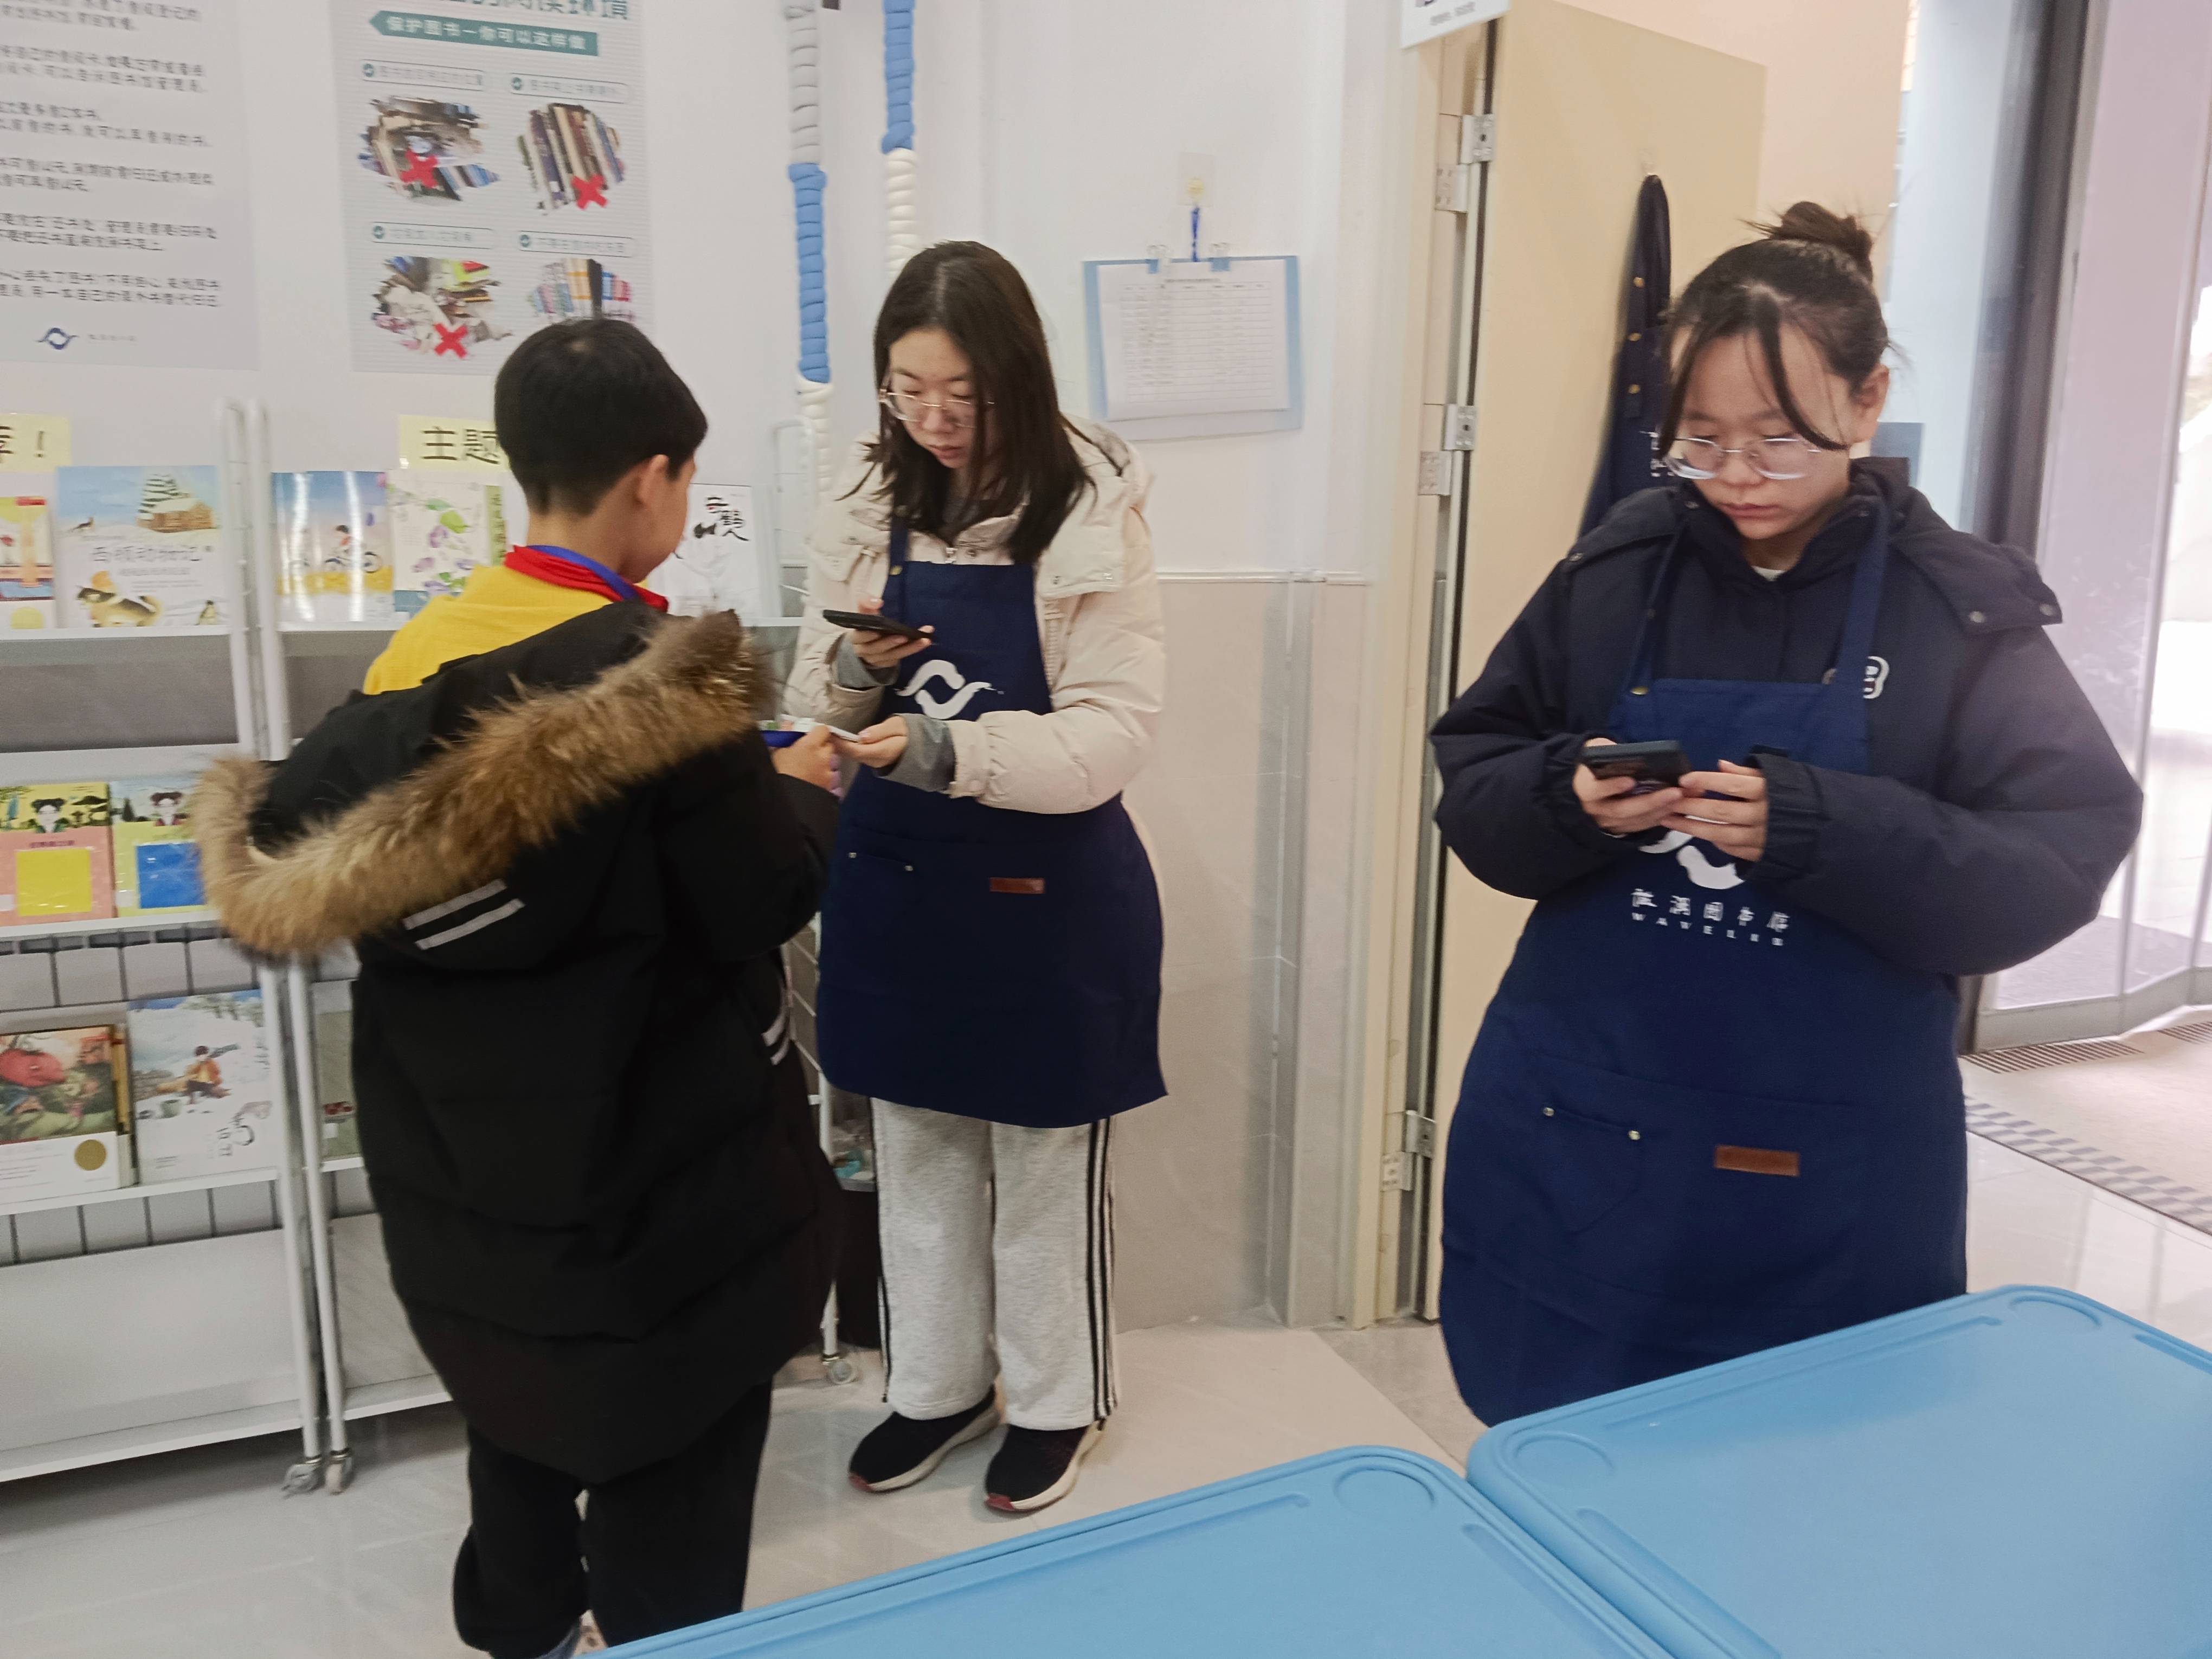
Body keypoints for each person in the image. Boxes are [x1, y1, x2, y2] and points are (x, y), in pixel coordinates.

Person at [1430, 205, 2143, 1426]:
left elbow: (2054, 862)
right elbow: (1477, 778)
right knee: (1564, 1444)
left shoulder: (1957, 612)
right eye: (1701, 441)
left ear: (1867, 405)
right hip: (1586, 1118)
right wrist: (1568, 795)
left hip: (1830, 1159)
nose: (1737, 478)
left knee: (1804, 1467)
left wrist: (1826, 831)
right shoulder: (1617, 570)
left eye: (1777, 440)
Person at [194, 319, 843, 1659]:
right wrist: (797, 791)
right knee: (677, 1454)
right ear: (654, 478)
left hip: (471, 1172)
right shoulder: (667, 684)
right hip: (657, 1175)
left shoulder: (414, 665)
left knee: (520, 1404)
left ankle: (522, 1627)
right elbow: (755, 900)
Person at [787, 241, 1166, 1514]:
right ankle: (937, 1387)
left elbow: (1113, 734)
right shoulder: (863, 493)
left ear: (1020, 379)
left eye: (966, 394)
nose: (936, 420)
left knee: (1046, 1174)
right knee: (921, 1159)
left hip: (1050, 894)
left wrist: (950, 751)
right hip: (900, 881)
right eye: (909, 391)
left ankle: (1058, 1402)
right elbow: (815, 702)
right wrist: (857, 680)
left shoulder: (1092, 502)